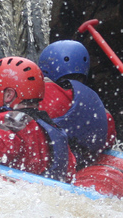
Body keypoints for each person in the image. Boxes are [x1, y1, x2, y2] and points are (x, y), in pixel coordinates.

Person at [37, 40, 117, 169]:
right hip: (82, 167)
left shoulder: (44, 94)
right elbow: (108, 141)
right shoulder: (100, 108)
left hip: (49, 168)